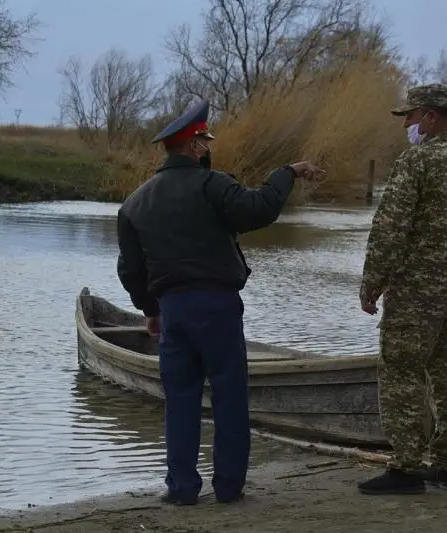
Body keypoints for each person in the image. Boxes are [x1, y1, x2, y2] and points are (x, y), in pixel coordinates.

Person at [116, 99, 320, 505]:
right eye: (205, 140)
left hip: (172, 311)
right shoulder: (213, 186)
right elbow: (260, 209)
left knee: (180, 400)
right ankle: (228, 488)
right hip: (217, 307)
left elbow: (130, 270)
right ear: (194, 145)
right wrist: (287, 173)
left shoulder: (134, 203)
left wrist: (150, 311)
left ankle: (182, 488)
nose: (209, 146)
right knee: (228, 397)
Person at [356, 84, 447, 495]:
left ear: (431, 117)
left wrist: (372, 284)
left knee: (402, 375)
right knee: (446, 380)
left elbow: (390, 229)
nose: (408, 125)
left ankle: (406, 469)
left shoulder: (416, 161)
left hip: (414, 297)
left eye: (411, 117)